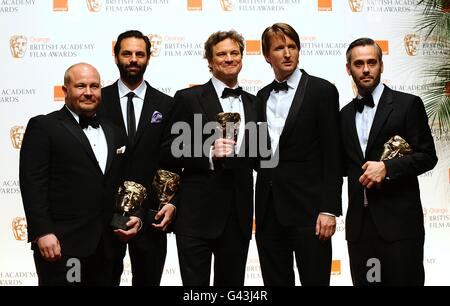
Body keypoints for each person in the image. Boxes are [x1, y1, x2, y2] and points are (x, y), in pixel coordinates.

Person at [19, 63, 136, 285]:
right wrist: (42, 232)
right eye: (80, 86)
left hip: (109, 247)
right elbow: (33, 184)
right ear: (65, 90)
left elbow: (121, 185)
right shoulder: (44, 126)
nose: (89, 92)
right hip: (62, 246)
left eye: (94, 86)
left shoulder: (115, 132)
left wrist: (130, 219)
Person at [341, 38, 438, 285]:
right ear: (348, 68)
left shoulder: (407, 104)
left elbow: (427, 156)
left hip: (399, 227)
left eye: (372, 62)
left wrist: (388, 168)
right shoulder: (344, 115)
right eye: (359, 63)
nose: (365, 69)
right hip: (359, 229)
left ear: (381, 66)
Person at [165, 30, 258, 286]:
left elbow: (262, 155)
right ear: (209, 61)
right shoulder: (188, 98)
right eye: (221, 54)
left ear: (241, 57)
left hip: (238, 215)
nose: (229, 59)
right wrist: (207, 153)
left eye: (234, 53)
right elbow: (169, 147)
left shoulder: (254, 102)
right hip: (195, 215)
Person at [255, 23, 342, 286]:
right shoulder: (260, 96)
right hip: (269, 211)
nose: (287, 53)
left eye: (292, 46)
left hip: (310, 211)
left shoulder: (321, 91)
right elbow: (260, 155)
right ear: (267, 56)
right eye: (279, 48)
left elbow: (333, 154)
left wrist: (329, 209)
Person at [99, 30, 174, 286]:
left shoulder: (167, 104)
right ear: (116, 56)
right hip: (103, 218)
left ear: (148, 58)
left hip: (151, 217)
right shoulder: (97, 101)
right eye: (127, 53)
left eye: (139, 54)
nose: (133, 59)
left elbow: (170, 163)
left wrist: (152, 208)